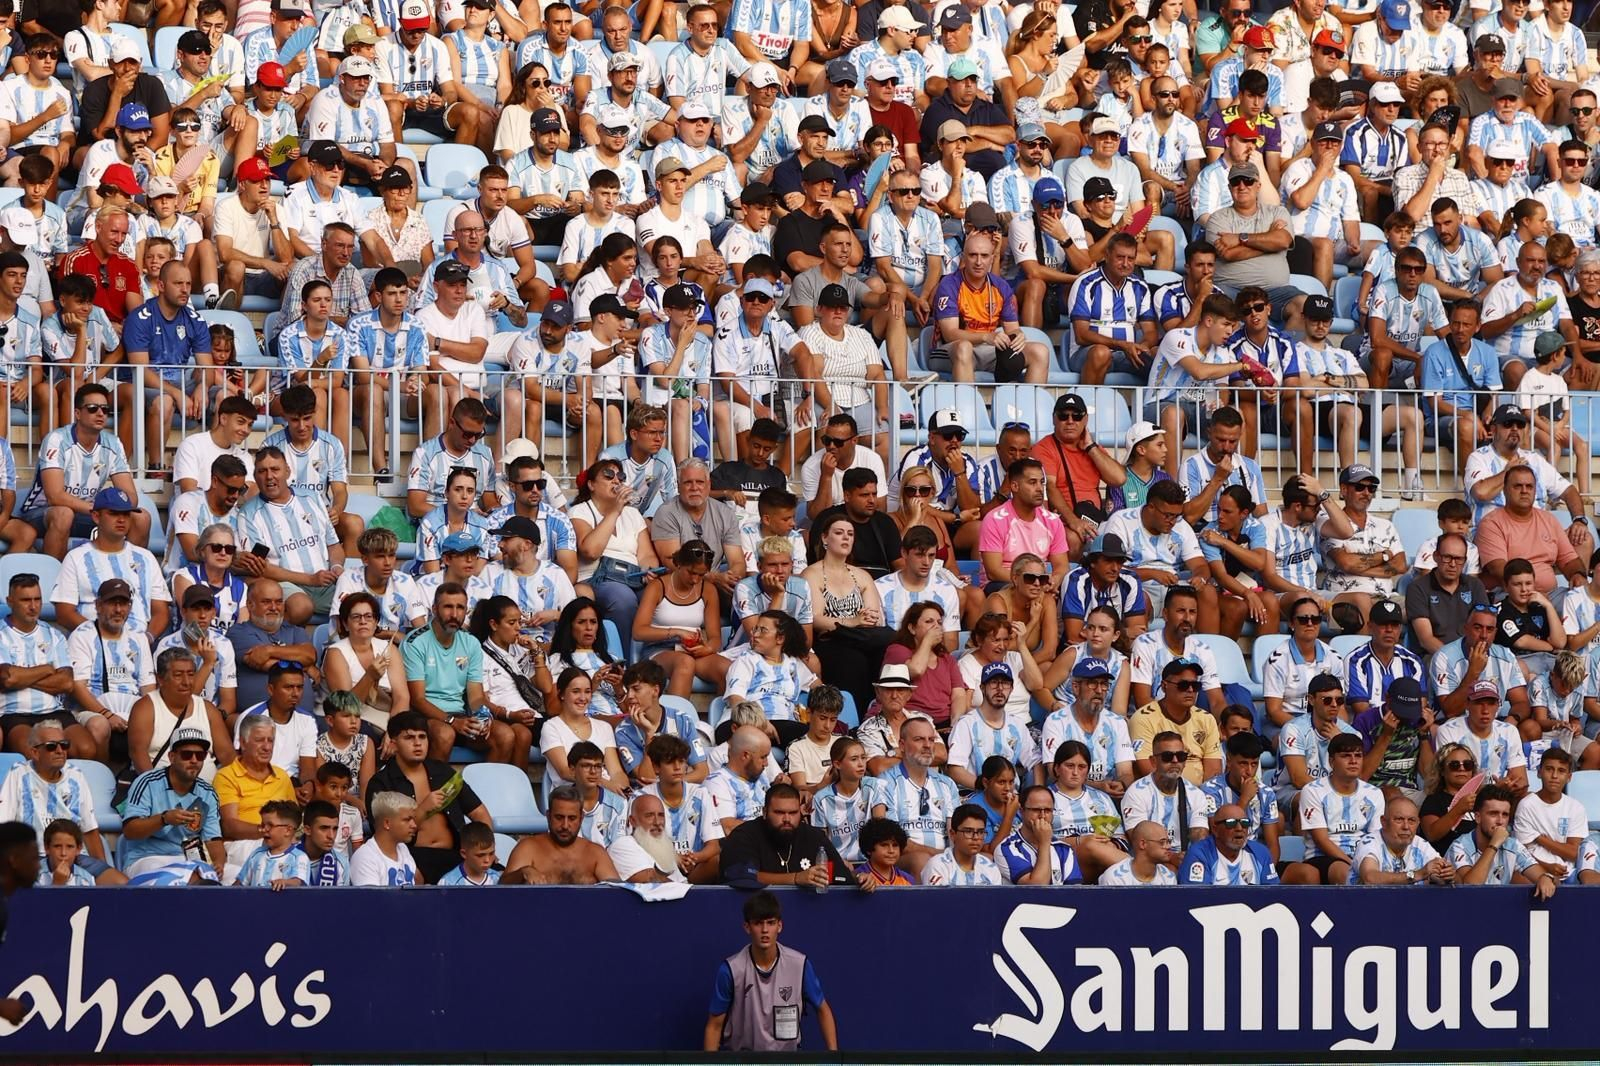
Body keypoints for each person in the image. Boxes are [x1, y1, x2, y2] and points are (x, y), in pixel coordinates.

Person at [705, 889, 839, 1053]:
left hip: (787, 1060)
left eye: (771, 922)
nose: (765, 930)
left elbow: (823, 1009)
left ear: (779, 926)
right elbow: (714, 1026)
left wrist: (833, 1056)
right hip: (742, 1060)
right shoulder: (731, 970)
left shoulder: (799, 965)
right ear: (747, 927)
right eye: (758, 923)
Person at [366, 710, 493, 884]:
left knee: (505, 877)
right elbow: (384, 836)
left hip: (457, 854)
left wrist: (483, 850)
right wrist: (424, 809)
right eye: (409, 738)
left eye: (422, 737)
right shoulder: (381, 784)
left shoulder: (443, 772)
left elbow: (479, 813)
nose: (417, 743)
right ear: (394, 744)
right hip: (412, 857)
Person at [1282, 732, 1384, 885]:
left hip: (1364, 857)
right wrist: (1354, 864)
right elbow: (1321, 840)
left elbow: (1375, 838)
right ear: (1331, 761)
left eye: (1358, 755)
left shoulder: (1374, 793)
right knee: (1348, 875)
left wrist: (1367, 863)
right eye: (1346, 756)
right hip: (1322, 857)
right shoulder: (1313, 791)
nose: (1353, 761)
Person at [718, 783, 865, 889]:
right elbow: (742, 876)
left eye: (793, 813)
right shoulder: (745, 835)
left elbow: (841, 877)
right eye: (779, 813)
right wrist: (795, 878)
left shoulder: (813, 836)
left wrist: (859, 879)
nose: (787, 819)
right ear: (764, 812)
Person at [1318, 464, 1406, 631]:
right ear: (1343, 490)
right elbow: (1347, 564)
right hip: (1347, 599)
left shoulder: (1385, 525)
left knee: (1422, 605)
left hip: (1386, 598)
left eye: (1371, 488)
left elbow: (1401, 565)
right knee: (1363, 603)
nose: (1366, 493)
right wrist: (1384, 557)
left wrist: (1358, 566)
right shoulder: (1331, 524)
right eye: (1359, 487)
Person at [0, 576, 80, 758]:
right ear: (9, 601)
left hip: (53, 710)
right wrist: (45, 669)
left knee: (86, 748)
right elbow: (7, 678)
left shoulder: (54, 635)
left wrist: (22, 676)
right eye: (26, 600)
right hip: (14, 713)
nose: (33, 606)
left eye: (37, 599)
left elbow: (66, 684)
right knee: (34, 752)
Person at [1447, 785, 1556, 895]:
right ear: (1478, 817)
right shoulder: (1460, 846)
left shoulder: (1513, 845)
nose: (1500, 821)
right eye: (1493, 814)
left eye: (1505, 815)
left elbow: (1541, 875)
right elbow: (1471, 887)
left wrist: (1546, 878)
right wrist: (1494, 844)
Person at [1430, 604, 1531, 724]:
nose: (1483, 635)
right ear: (1465, 629)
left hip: (1494, 722)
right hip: (1456, 723)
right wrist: (1474, 672)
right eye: (1478, 628)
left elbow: (1522, 703)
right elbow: (1451, 711)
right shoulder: (1445, 657)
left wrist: (1511, 722)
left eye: (1489, 629)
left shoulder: (1505, 655)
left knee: (1530, 727)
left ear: (1495, 632)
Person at [1128, 590, 1226, 712]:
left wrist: (1223, 725)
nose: (1187, 618)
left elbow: (1217, 701)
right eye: (1181, 611)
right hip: (1152, 721)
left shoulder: (1202, 650)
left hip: (1187, 722)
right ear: (1165, 614)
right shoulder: (1146, 644)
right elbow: (1142, 700)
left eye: (1192, 612)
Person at [1122, 730, 1212, 854]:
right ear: (1153, 761)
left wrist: (1192, 858)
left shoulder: (1196, 795)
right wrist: (1172, 859)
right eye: (1167, 757)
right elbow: (1139, 841)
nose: (1175, 761)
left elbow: (1200, 834)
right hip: (1149, 859)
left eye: (1180, 756)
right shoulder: (1136, 793)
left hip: (1184, 857)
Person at [1406, 533, 1489, 655]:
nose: (1453, 564)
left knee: (1519, 667)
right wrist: (1456, 660)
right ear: (1436, 557)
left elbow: (1484, 629)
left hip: (1472, 654)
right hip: (1434, 656)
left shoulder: (1475, 585)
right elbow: (1426, 640)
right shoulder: (1417, 588)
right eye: (1447, 557)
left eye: (1458, 559)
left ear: (1465, 561)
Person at [1350, 797, 1454, 885]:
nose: (1406, 826)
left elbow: (1440, 874)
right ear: (1384, 822)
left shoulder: (1419, 844)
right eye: (1399, 819)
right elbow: (1370, 878)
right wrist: (1418, 874)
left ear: (1418, 823)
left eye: (1411, 820)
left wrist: (1442, 875)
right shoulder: (1370, 842)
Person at [995, 784, 1084, 885]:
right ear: (1021, 811)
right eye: (1036, 810)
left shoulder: (1065, 850)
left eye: (1047, 810)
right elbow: (1037, 888)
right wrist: (1044, 842)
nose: (1042, 816)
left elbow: (1075, 893)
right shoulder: (1007, 848)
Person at [1179, 803, 1279, 884]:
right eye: (1231, 823)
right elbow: (1197, 899)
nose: (1239, 828)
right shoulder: (1200, 854)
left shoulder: (1260, 853)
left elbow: (1272, 895)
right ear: (1215, 829)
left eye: (1245, 823)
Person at [348, 791, 422, 886]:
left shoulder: (402, 848)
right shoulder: (365, 857)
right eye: (407, 820)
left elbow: (418, 885)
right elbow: (372, 899)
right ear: (387, 823)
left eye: (413, 819)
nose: (414, 825)